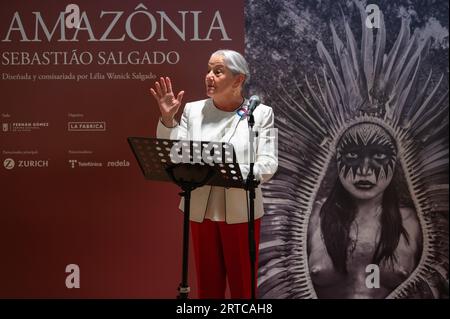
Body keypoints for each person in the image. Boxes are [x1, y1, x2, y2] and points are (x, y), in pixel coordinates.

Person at [150, 49, 278, 299]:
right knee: (208, 288)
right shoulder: (192, 111)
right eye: (208, 70)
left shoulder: (261, 114)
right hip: (201, 208)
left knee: (243, 288)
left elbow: (269, 161)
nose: (209, 76)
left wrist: (237, 174)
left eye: (217, 72)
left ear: (238, 80)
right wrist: (168, 121)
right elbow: (176, 155)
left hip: (242, 210)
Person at [307, 122, 422, 299]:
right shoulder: (312, 218)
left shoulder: (415, 224)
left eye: (379, 155)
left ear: (396, 160)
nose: (364, 170)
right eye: (352, 155)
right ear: (336, 158)